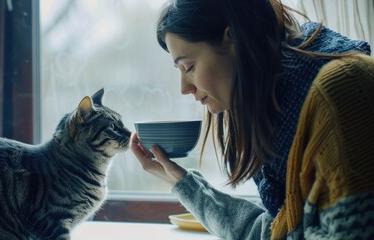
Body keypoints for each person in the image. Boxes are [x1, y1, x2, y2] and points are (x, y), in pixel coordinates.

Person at [130, 0, 374, 239]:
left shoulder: (345, 90)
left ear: (232, 37)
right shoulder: (279, 116)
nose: (184, 88)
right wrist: (181, 182)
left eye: (189, 67)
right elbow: (277, 233)